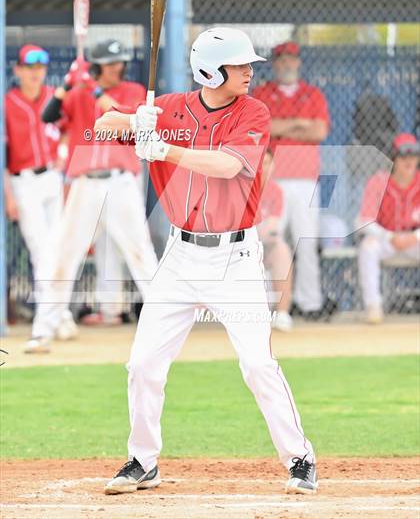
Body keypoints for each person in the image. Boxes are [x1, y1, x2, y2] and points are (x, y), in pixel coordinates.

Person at [95, 27, 318, 496]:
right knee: (143, 365)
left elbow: (229, 165)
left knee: (257, 364)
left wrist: (164, 148)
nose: (248, 73)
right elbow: (101, 124)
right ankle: (142, 460)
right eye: (239, 66)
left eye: (248, 65)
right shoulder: (172, 109)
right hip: (179, 258)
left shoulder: (254, 111)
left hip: (234, 259)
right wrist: (137, 122)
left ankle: (300, 458)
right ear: (210, 70)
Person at [27, 39, 158, 352]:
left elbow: (120, 120)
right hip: (85, 185)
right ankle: (43, 330)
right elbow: (48, 116)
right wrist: (68, 84)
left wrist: (94, 89)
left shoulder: (132, 92)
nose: (118, 68)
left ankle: (165, 325)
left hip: (121, 183)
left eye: (119, 63)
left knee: (141, 255)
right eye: (111, 64)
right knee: (63, 255)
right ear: (97, 66)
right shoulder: (79, 93)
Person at [4, 44, 76, 349]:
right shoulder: (8, 103)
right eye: (29, 68)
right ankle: (58, 317)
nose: (35, 74)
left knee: (57, 250)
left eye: (40, 68)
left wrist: (64, 162)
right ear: (18, 70)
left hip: (52, 178)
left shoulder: (53, 97)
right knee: (41, 252)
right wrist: (8, 195)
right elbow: (4, 156)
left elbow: (68, 131)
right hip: (23, 182)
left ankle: (57, 316)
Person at [252, 41, 330, 319]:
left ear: (298, 62)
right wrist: (299, 124)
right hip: (271, 181)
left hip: (305, 180)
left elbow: (319, 131)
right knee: (267, 241)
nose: (287, 64)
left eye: (291, 59)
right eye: (282, 60)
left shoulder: (313, 94)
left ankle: (309, 304)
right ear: (275, 64)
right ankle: (265, 304)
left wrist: (282, 128)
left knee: (306, 241)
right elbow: (263, 128)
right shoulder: (262, 93)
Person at [356, 133, 420, 323]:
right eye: (403, 156)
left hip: (415, 239)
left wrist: (415, 237)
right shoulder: (378, 181)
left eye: (414, 155)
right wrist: (389, 236)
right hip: (385, 239)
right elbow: (363, 221)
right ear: (393, 158)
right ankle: (373, 306)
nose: (409, 160)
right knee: (368, 246)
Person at [258, 151, 294, 331]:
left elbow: (273, 226)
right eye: (260, 163)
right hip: (238, 246)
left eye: (267, 163)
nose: (263, 168)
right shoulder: (240, 187)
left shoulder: (276, 191)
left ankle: (282, 314)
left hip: (263, 244)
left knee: (281, 249)